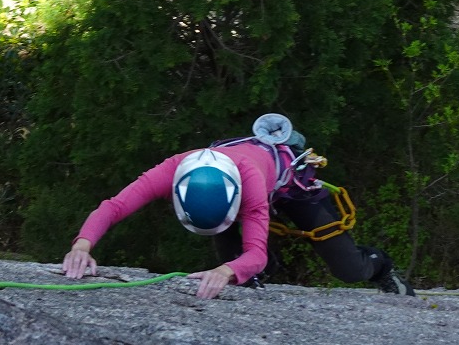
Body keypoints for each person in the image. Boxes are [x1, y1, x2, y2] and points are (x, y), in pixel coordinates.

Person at [62, 114, 414, 299]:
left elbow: (254, 252)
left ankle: (380, 265)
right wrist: (82, 245)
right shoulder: (172, 169)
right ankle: (262, 273)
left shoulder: (250, 183)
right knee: (240, 270)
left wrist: (227, 270)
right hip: (235, 193)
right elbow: (114, 206)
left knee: (348, 269)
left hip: (290, 184)